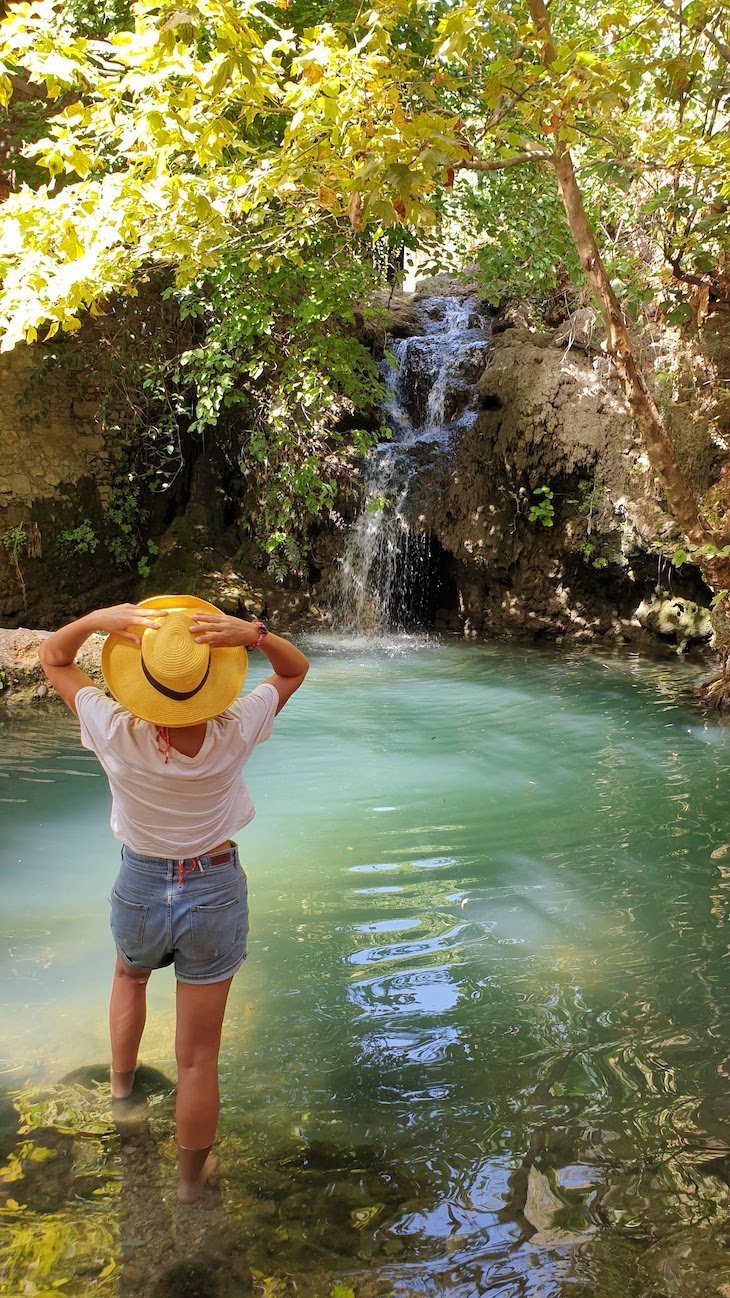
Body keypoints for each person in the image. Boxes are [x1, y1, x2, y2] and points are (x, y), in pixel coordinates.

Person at [38, 595, 309, 1203]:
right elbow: (295, 670)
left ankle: (121, 1097)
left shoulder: (114, 729)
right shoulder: (236, 727)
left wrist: (96, 622)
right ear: (212, 679)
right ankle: (189, 1187)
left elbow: (52, 658)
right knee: (196, 1061)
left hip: (140, 883)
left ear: (143, 683)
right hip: (213, 888)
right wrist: (254, 634)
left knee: (129, 979)